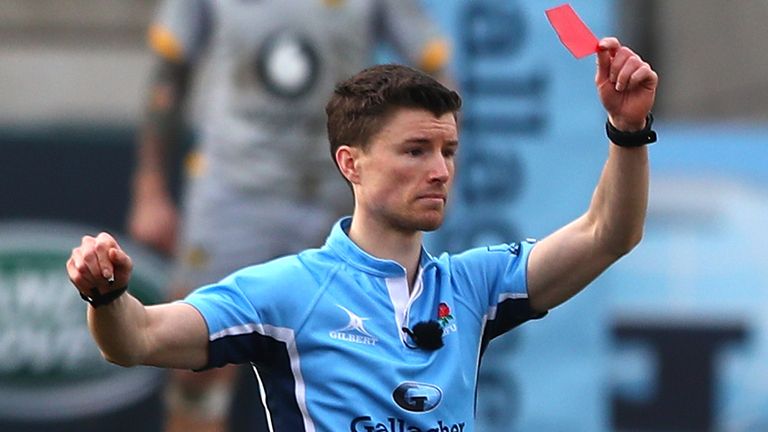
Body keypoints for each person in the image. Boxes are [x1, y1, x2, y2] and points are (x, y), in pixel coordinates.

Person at [68, 37, 658, 431]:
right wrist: (106, 296)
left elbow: (609, 232)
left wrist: (627, 130)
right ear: (351, 163)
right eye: (415, 150)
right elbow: (136, 339)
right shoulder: (285, 292)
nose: (440, 170)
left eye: (448, 150)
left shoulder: (475, 284)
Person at [126, 0, 450, 429]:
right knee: (195, 368)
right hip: (233, 193)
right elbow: (169, 74)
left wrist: (430, 162)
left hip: (334, 197)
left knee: (350, 363)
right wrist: (149, 189)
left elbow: (434, 68)